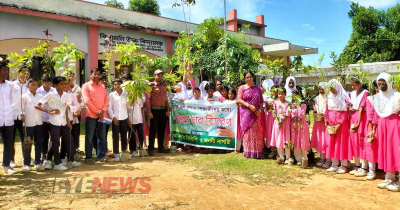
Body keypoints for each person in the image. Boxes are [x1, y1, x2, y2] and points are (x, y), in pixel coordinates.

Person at [36, 76, 77, 171]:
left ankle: (64, 160)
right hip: (53, 122)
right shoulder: (51, 95)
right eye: (61, 84)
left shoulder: (66, 95)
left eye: (64, 84)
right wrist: (50, 112)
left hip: (63, 122)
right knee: (55, 142)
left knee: (67, 140)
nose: (63, 86)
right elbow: (37, 105)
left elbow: (65, 109)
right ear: (55, 85)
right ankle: (57, 163)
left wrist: (68, 122)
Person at [373, 73, 400, 191]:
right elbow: (376, 113)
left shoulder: (397, 96)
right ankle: (389, 177)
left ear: (389, 83)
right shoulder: (377, 97)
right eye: (379, 84)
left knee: (396, 151)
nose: (381, 86)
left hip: (394, 124)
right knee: (386, 150)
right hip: (382, 125)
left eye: (384, 84)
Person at [82, 68, 109, 164]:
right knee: (89, 137)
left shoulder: (102, 86)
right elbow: (87, 101)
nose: (97, 76)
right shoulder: (86, 86)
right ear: (91, 75)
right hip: (91, 116)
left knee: (102, 137)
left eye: (98, 74)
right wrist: (97, 111)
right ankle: (88, 157)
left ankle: (101, 156)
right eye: (95, 74)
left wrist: (103, 111)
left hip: (102, 116)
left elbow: (106, 100)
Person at [325, 79, 352, 174]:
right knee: (332, 143)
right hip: (331, 123)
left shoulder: (344, 97)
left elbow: (346, 111)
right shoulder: (329, 97)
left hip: (341, 124)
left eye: (334, 89)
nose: (333, 91)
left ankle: (344, 165)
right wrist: (326, 121)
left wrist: (339, 123)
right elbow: (327, 110)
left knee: (342, 143)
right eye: (331, 89)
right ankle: (334, 164)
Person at [236, 71, 264, 159]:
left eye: (250, 77)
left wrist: (259, 110)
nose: (249, 79)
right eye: (247, 77)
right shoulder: (242, 88)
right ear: (245, 79)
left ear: (253, 77)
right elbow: (239, 100)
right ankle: (248, 152)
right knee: (248, 132)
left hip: (256, 114)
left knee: (256, 132)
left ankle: (257, 152)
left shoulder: (257, 88)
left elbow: (261, 101)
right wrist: (249, 106)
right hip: (246, 114)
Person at [20, 78, 44, 172]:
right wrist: (22, 116)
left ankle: (37, 162)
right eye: (32, 85)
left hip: (39, 123)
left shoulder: (40, 96)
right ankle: (26, 164)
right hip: (28, 123)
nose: (34, 87)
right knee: (27, 143)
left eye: (36, 85)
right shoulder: (24, 97)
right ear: (28, 86)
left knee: (38, 143)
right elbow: (21, 109)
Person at [145, 69, 171, 156]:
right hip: (154, 110)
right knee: (153, 129)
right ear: (154, 76)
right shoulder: (151, 86)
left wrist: (167, 109)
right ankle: (151, 148)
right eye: (158, 75)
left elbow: (166, 99)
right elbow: (147, 100)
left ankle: (161, 147)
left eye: (161, 75)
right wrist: (149, 111)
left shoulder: (164, 86)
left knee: (162, 129)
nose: (160, 77)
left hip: (163, 110)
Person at [349, 77, 369, 176]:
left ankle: (364, 166)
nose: (353, 87)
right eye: (351, 85)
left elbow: (361, 108)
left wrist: (358, 122)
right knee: (354, 141)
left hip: (361, 118)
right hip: (353, 117)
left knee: (362, 140)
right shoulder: (351, 93)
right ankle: (356, 165)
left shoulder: (365, 93)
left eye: (354, 85)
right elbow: (348, 103)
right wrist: (349, 108)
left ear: (359, 84)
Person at [11, 65, 30, 167]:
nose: (25, 75)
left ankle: (26, 159)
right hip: (13, 115)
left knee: (25, 138)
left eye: (27, 73)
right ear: (18, 73)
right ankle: (11, 159)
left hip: (24, 116)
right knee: (11, 138)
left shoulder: (29, 85)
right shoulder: (12, 85)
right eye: (23, 73)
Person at [0, 61, 16, 174]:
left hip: (8, 118)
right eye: (4, 70)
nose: (6, 72)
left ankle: (6, 165)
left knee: (9, 143)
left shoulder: (9, 85)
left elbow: (11, 100)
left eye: (7, 70)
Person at [108, 79, 130, 161]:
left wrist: (131, 102)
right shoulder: (112, 95)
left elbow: (128, 107)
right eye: (115, 84)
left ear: (121, 85)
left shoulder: (125, 94)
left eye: (117, 84)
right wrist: (113, 117)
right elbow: (109, 108)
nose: (116, 86)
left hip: (124, 117)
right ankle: (116, 153)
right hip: (116, 118)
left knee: (124, 136)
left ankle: (124, 152)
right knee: (116, 136)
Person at [37, 73, 56, 161]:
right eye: (46, 83)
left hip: (53, 118)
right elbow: (37, 105)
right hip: (43, 118)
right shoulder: (38, 91)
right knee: (44, 137)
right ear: (42, 82)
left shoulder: (54, 91)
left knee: (54, 137)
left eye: (50, 83)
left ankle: (50, 154)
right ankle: (43, 154)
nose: (48, 85)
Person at [270, 88, 291, 164]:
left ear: (285, 94)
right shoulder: (275, 103)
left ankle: (288, 157)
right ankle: (281, 157)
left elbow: (288, 114)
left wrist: (282, 122)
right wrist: (278, 121)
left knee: (286, 139)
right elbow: (274, 112)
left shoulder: (288, 103)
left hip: (285, 123)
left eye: (282, 94)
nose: (280, 95)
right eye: (279, 94)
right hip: (278, 123)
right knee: (279, 139)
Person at [363, 80, 379, 180]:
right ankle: (371, 170)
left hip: (383, 125)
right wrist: (371, 130)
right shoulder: (370, 99)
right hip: (372, 126)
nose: (379, 89)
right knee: (371, 147)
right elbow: (369, 116)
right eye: (377, 87)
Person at [311, 82, 329, 168]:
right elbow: (314, 111)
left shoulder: (329, 98)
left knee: (326, 139)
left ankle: (328, 159)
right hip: (318, 123)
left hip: (326, 122)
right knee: (320, 139)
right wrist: (315, 115)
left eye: (323, 89)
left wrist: (324, 116)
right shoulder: (316, 99)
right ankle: (322, 158)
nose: (321, 91)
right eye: (320, 89)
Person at [290, 90, 310, 167]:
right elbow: (292, 113)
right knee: (296, 140)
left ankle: (304, 157)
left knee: (302, 140)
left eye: (297, 95)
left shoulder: (303, 104)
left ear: (300, 96)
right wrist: (295, 121)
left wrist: (298, 122)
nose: (295, 97)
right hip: (294, 124)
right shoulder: (292, 105)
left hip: (301, 124)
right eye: (294, 96)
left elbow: (302, 113)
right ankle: (297, 158)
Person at [67, 72, 83, 155]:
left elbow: (81, 101)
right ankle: (68, 149)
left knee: (76, 131)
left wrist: (78, 109)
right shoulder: (64, 87)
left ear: (75, 77)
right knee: (68, 132)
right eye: (69, 76)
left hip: (76, 112)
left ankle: (76, 148)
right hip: (68, 114)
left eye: (72, 76)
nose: (70, 77)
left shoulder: (78, 88)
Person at [265, 85, 278, 158]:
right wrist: (268, 105)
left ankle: (278, 151)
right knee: (270, 132)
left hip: (277, 118)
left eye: (275, 91)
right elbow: (267, 109)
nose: (274, 93)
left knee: (277, 132)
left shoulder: (280, 99)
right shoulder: (268, 99)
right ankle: (273, 150)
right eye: (272, 91)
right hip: (270, 118)